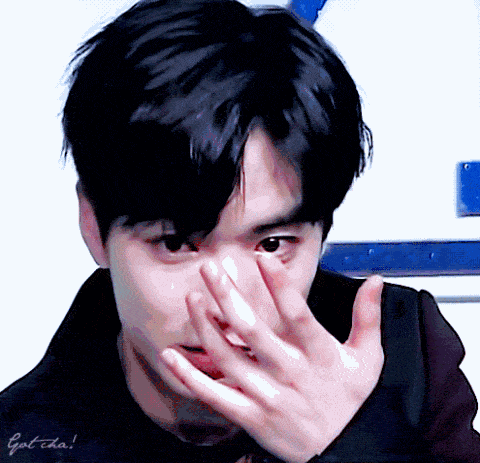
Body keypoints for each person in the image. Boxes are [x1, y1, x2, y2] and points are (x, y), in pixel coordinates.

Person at [1, 1, 479, 461]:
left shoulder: (406, 355)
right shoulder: (23, 438)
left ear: (323, 228)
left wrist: (352, 444)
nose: (227, 306)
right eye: (176, 244)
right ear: (93, 225)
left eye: (271, 245)